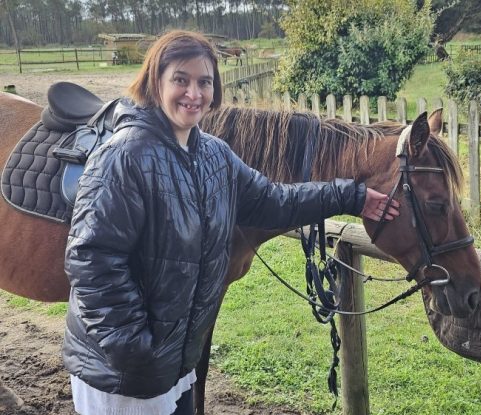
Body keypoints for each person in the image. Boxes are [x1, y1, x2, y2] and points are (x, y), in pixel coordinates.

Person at [61, 30, 400, 415]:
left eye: (204, 82)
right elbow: (91, 259)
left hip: (174, 366)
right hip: (123, 378)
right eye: (181, 80)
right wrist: (134, 349)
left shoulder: (212, 154)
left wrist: (349, 196)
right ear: (156, 82)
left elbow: (272, 200)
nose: (194, 93)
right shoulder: (123, 156)